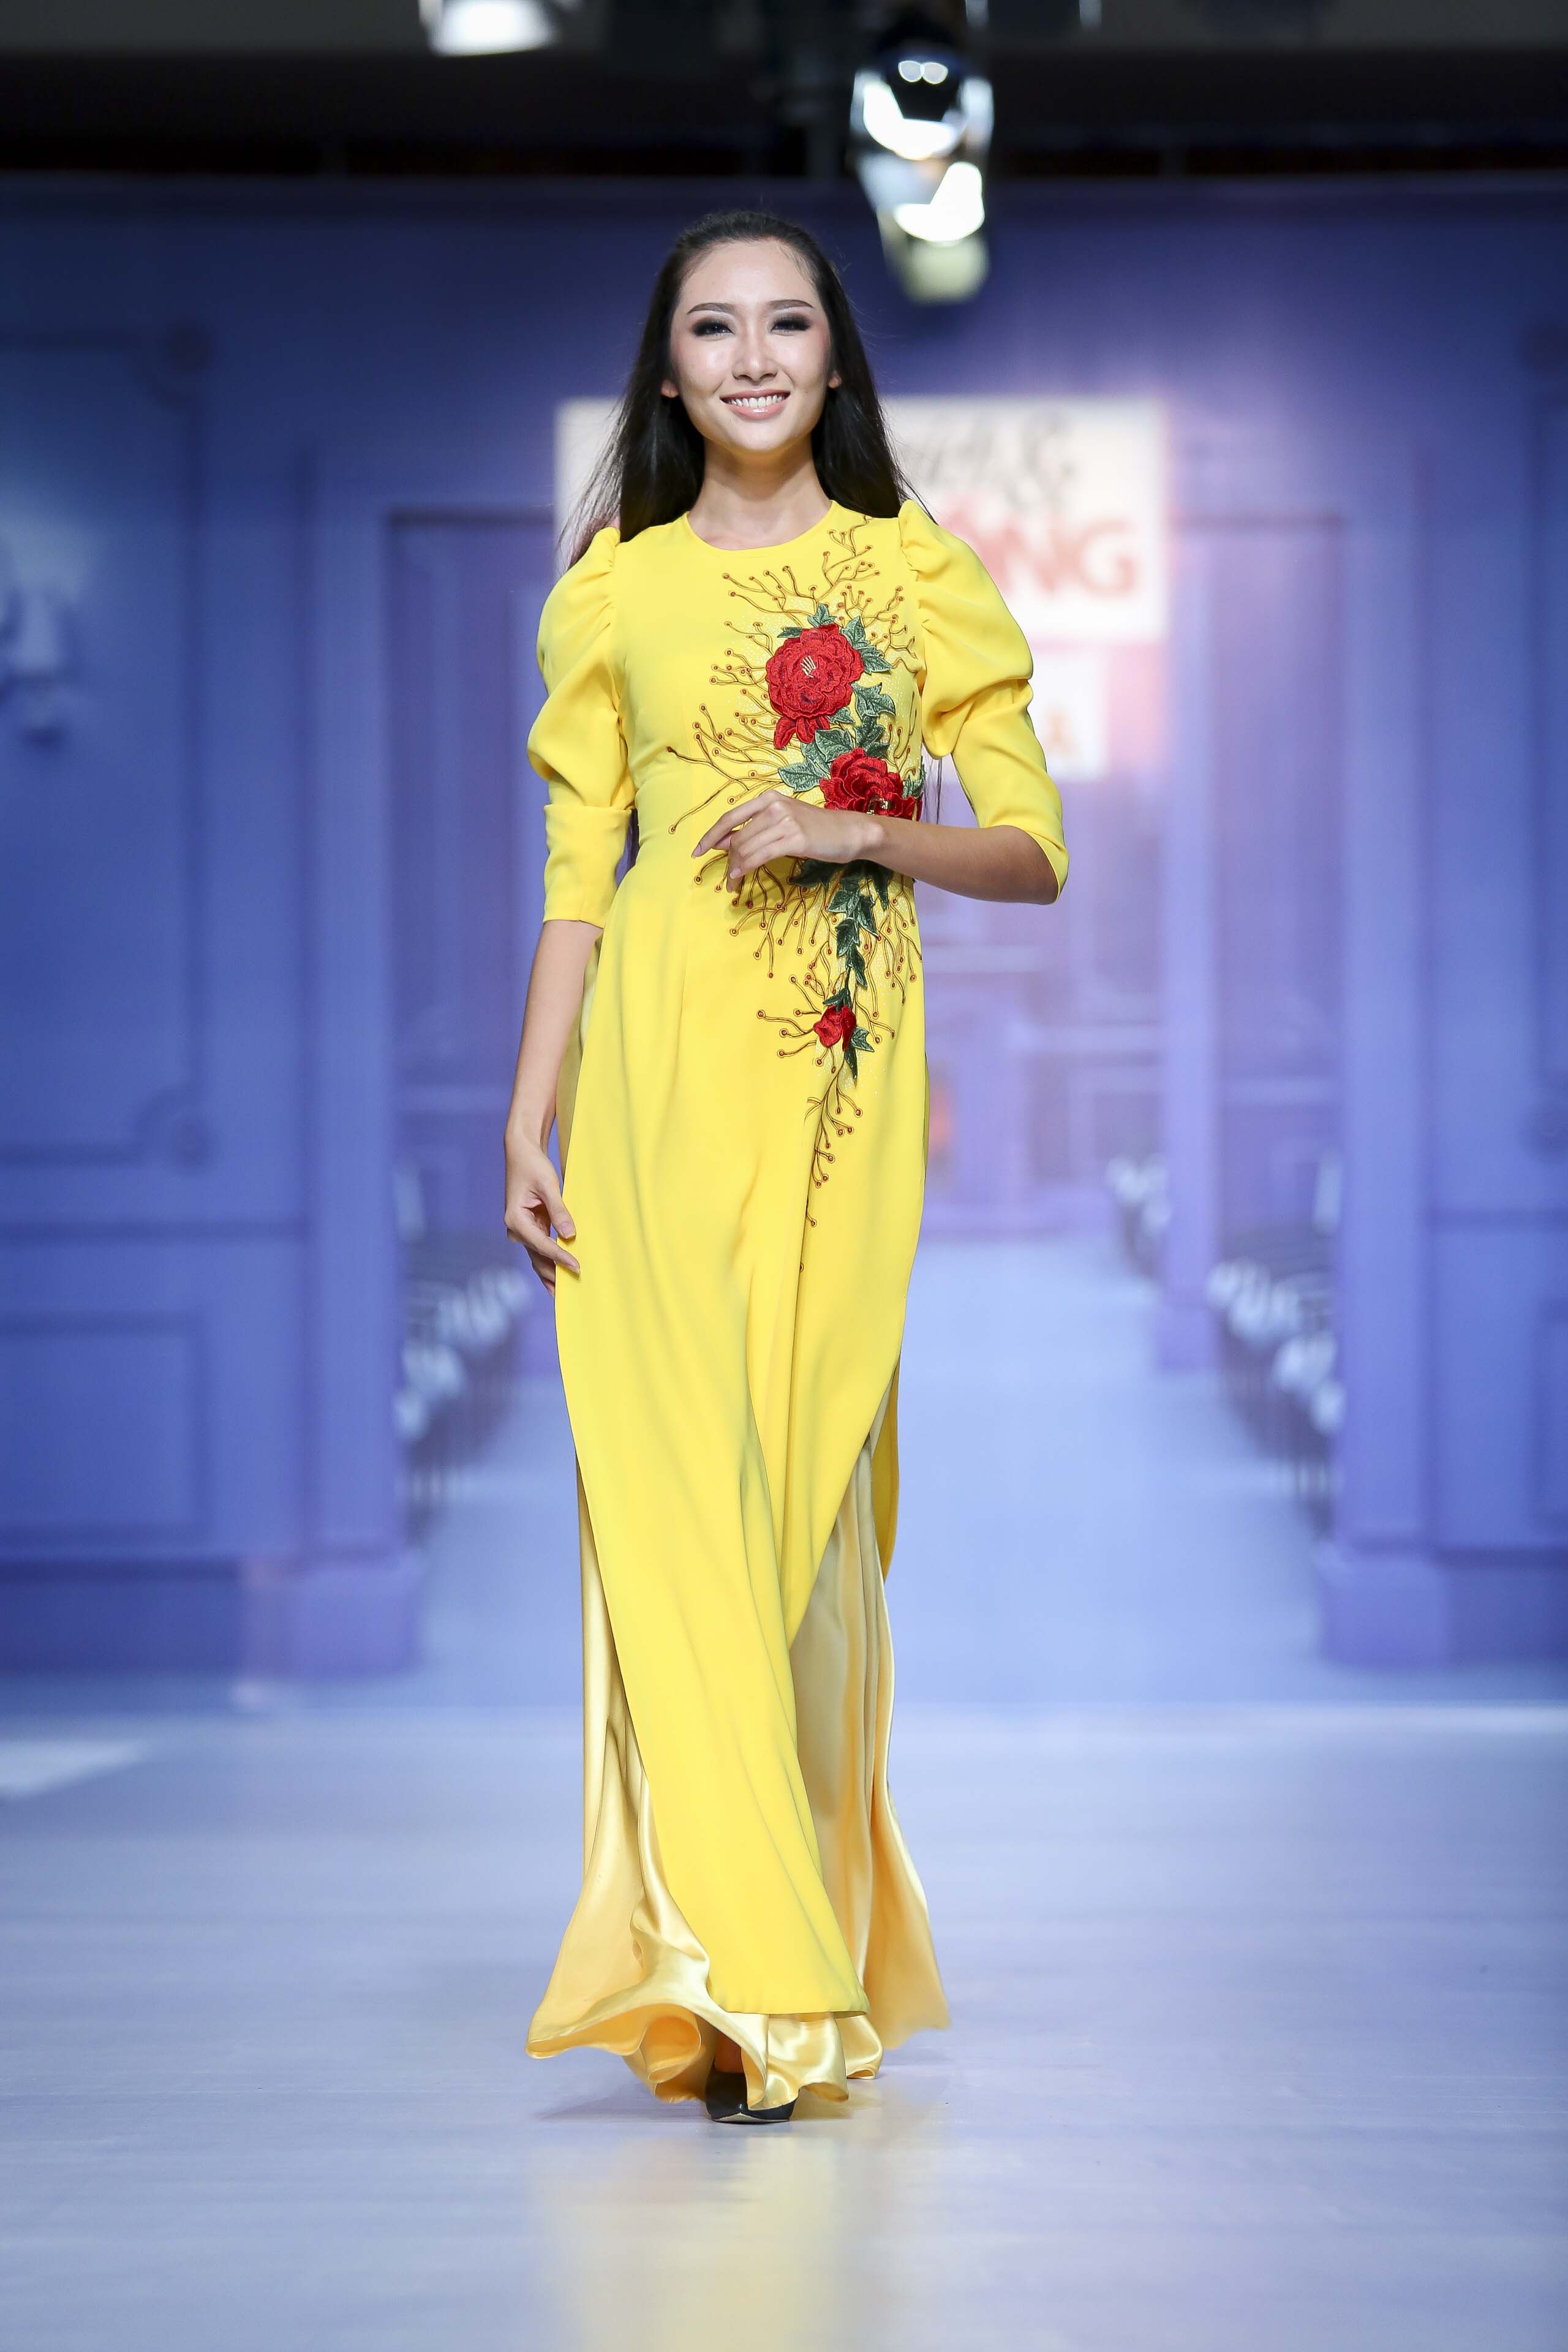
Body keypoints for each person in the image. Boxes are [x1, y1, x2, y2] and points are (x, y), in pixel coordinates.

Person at [503, 208, 1068, 2125]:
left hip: (832, 1095)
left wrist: (856, 830)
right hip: (653, 1090)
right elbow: (580, 881)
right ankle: (756, 1990)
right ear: (669, 376)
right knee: (674, 1510)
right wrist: (526, 1111)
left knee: (802, 1530)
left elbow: (1033, 854)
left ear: (837, 359)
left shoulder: (913, 572)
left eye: (787, 325)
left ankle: (773, 1944)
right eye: (713, 330)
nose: (752, 358)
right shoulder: (617, 589)